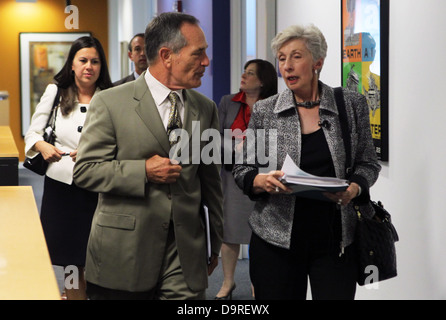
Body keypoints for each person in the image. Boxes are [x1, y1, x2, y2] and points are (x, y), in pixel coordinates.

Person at [73, 12, 223, 300]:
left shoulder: (206, 109)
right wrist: (143, 171)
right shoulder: (109, 102)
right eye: (199, 54)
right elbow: (86, 170)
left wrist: (213, 243)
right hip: (124, 251)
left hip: (185, 253)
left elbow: (210, 183)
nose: (206, 62)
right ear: (167, 55)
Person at [232, 24, 381, 300]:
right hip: (275, 240)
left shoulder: (350, 104)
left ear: (318, 62)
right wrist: (260, 181)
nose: (286, 66)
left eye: (296, 56)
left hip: (336, 241)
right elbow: (243, 168)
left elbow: (368, 164)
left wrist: (354, 188)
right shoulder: (266, 110)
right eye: (282, 58)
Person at [24, 36, 112, 300]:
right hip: (63, 188)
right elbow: (33, 132)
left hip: (99, 188)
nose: (89, 67)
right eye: (83, 60)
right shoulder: (56, 91)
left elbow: (119, 141)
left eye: (95, 62)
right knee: (71, 261)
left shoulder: (110, 96)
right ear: (72, 64)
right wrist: (42, 146)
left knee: (99, 259)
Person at [215, 59, 277, 299]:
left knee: (259, 234)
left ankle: (256, 284)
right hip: (231, 176)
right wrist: (234, 147)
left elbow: (278, 138)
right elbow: (216, 136)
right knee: (229, 231)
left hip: (260, 176)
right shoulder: (227, 102)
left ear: (262, 81)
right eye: (244, 71)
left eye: (250, 73)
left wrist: (252, 147)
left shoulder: (273, 105)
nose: (243, 76)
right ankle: (228, 282)